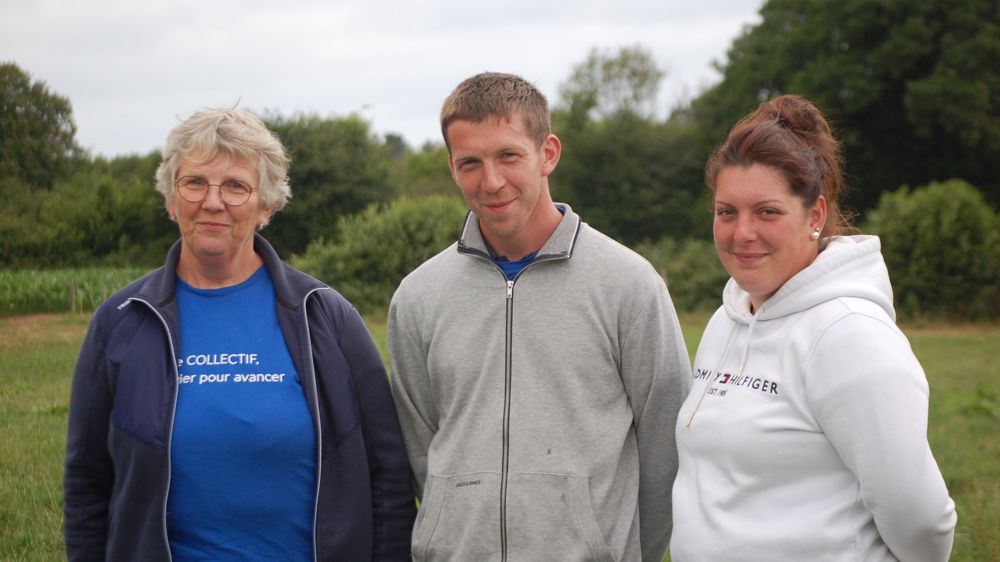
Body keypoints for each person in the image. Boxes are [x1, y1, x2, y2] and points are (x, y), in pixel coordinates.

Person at [63, 108, 416, 561]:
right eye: (195, 183)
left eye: (236, 186)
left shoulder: (327, 317)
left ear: (266, 206)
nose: (213, 201)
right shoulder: (122, 321)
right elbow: (87, 484)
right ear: (171, 200)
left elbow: (387, 475)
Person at [387, 72, 692, 562]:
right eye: (470, 162)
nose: (491, 181)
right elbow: (421, 445)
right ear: (452, 167)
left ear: (547, 153)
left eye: (508, 156)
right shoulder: (418, 296)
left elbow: (667, 446)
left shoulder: (629, 285)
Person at [670, 95, 957, 561]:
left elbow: (919, 519)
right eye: (727, 212)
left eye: (767, 212)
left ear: (816, 216)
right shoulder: (727, 321)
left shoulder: (850, 335)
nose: (742, 233)